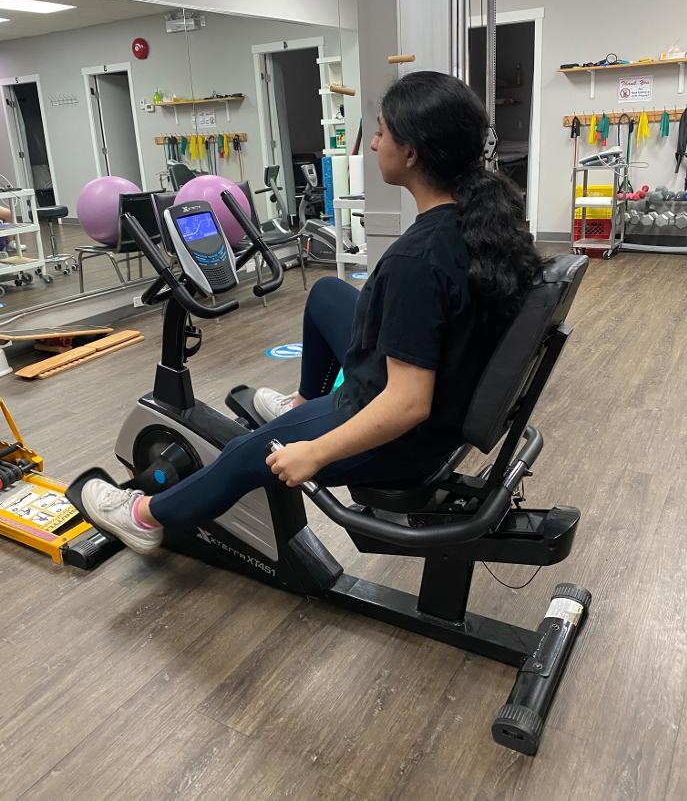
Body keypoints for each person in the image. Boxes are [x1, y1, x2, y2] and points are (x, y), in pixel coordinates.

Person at [80, 71, 542, 554]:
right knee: (326, 294)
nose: (374, 143)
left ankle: (145, 517)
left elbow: (408, 404)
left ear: (411, 154)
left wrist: (314, 452)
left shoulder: (417, 260)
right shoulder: (481, 221)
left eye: (380, 132)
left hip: (403, 433)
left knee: (247, 453)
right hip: (444, 393)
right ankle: (301, 405)